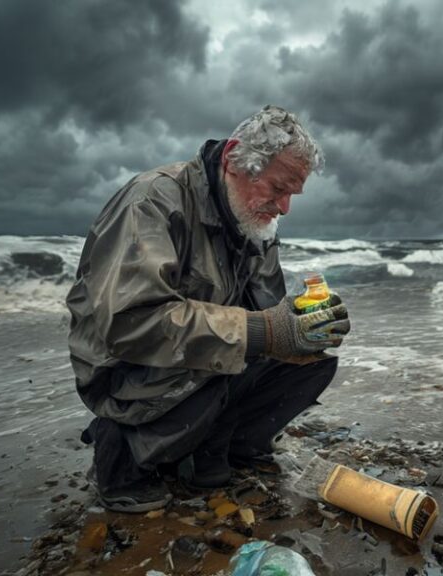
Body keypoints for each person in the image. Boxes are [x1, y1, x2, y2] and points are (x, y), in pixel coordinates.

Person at [66, 105, 350, 512]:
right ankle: (121, 454)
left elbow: (268, 315)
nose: (284, 207)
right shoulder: (153, 201)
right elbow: (130, 323)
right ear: (236, 159)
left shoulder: (256, 221)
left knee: (311, 359)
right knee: (230, 354)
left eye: (292, 194)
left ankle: (215, 446)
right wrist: (265, 332)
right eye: (277, 188)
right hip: (123, 370)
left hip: (199, 359)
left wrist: (308, 325)